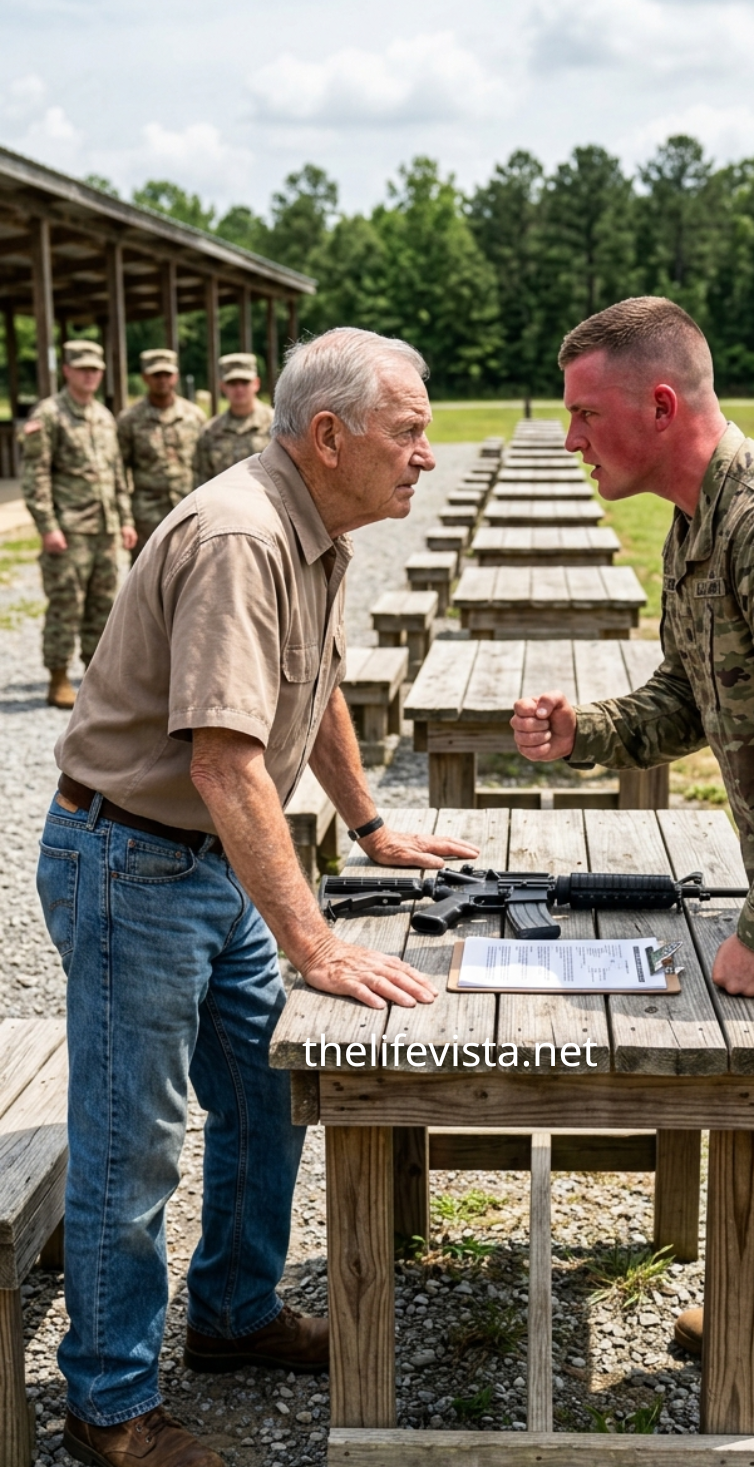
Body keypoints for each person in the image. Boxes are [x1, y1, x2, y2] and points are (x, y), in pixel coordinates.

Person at [39, 327, 478, 1467]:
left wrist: (372, 824)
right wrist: (314, 941)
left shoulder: (311, 524)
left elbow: (315, 681)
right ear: (327, 436)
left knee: (266, 1092)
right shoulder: (242, 534)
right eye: (410, 430)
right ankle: (110, 1406)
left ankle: (232, 1315)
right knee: (132, 1144)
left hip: (206, 861)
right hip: (134, 860)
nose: (424, 454)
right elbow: (224, 761)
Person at [511, 296, 754, 1467]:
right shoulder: (696, 523)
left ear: (661, 403)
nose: (572, 438)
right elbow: (691, 696)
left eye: (585, 414)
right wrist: (583, 731)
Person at [20, 337, 137, 709]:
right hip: (68, 530)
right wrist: (47, 525)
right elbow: (35, 475)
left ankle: (93, 678)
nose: (89, 375)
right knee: (65, 605)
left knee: (103, 607)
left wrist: (124, 519)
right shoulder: (50, 415)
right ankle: (57, 679)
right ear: (67, 370)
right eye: (82, 368)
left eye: (95, 369)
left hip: (102, 529)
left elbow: (116, 475)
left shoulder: (103, 416)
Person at [117, 348, 207, 559]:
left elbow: (204, 467)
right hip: (147, 516)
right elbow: (119, 471)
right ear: (145, 377)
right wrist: (126, 519)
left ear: (176, 376)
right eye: (156, 375)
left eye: (167, 374)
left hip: (188, 511)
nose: (162, 380)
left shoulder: (193, 416)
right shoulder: (130, 419)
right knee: (146, 579)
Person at [194, 351, 274, 484]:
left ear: (256, 384)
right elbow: (202, 482)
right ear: (222, 386)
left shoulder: (276, 425)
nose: (239, 389)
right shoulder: (210, 432)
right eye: (232, 383)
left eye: (244, 382)